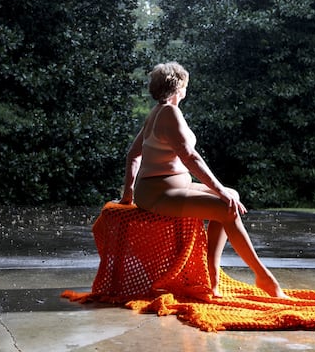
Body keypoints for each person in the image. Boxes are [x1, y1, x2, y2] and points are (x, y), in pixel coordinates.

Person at [118, 62, 287, 298]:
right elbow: (190, 157)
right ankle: (263, 277)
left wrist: (129, 190)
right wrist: (219, 190)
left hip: (169, 187)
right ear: (179, 87)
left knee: (232, 196)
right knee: (226, 205)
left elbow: (133, 154)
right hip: (159, 193)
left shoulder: (158, 111)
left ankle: (212, 276)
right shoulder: (168, 113)